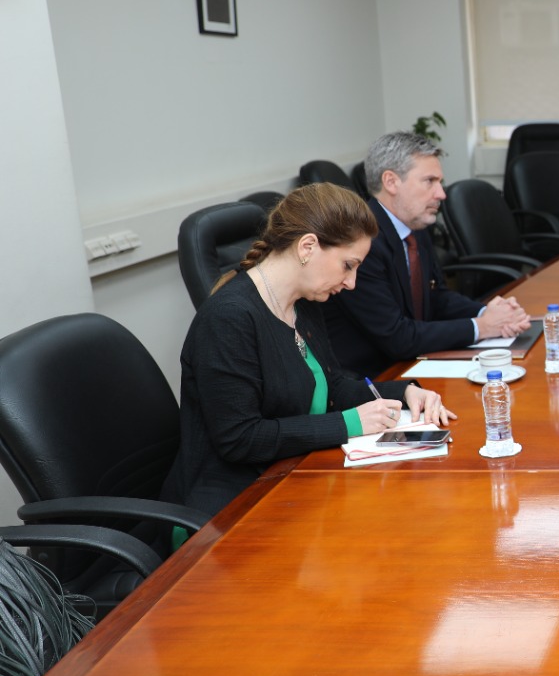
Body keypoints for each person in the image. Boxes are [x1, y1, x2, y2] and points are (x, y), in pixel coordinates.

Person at [161, 185, 455, 519]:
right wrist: (348, 424)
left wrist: (402, 392)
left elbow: (331, 386)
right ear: (308, 247)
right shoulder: (229, 318)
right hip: (233, 506)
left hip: (294, 473)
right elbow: (240, 439)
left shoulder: (305, 302)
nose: (352, 283)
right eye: (348, 265)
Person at [325, 132, 532, 378]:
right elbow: (398, 337)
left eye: (439, 182)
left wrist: (487, 313)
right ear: (391, 182)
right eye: (430, 181)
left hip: (414, 364)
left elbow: (436, 297)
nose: (441, 194)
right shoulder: (361, 243)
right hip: (374, 378)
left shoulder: (414, 226)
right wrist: (482, 327)